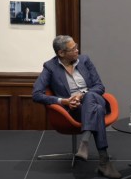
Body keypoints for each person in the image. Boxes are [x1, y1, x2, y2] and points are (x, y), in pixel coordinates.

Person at [32, 35, 121, 179]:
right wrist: (64, 101)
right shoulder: (50, 67)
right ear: (61, 53)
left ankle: (85, 141)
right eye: (73, 49)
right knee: (96, 111)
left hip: (95, 98)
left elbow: (99, 86)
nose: (77, 50)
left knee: (90, 97)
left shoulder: (85, 61)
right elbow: (36, 94)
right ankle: (104, 163)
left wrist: (82, 94)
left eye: (76, 46)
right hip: (75, 109)